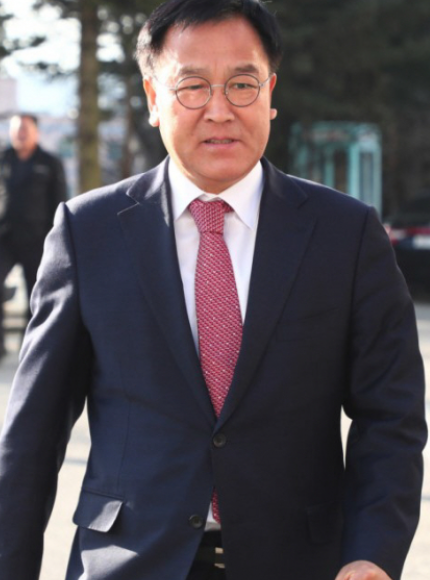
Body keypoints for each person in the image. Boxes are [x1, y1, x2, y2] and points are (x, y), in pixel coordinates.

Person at [0, 1, 427, 579]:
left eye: (242, 85)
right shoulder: (88, 232)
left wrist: (372, 553)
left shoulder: (345, 234)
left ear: (270, 93)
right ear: (154, 98)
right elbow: (34, 432)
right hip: (129, 563)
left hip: (301, 564)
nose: (220, 110)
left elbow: (391, 415)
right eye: (193, 86)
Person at [0, 113, 67, 358]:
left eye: (25, 129)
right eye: (16, 129)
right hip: (5, 237)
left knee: (36, 295)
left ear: (36, 132)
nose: (20, 134)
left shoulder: (49, 163)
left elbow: (59, 201)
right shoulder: (4, 159)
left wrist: (58, 239)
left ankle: (30, 349)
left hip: (38, 239)